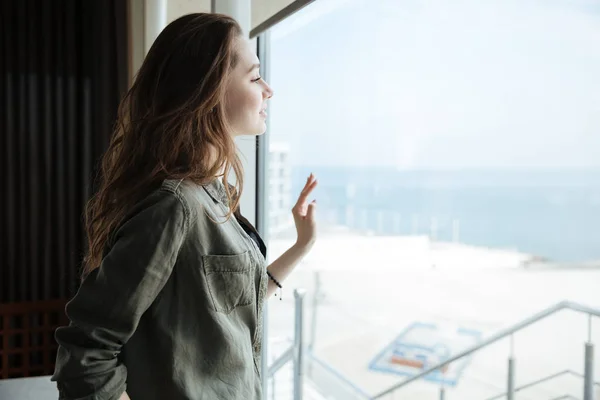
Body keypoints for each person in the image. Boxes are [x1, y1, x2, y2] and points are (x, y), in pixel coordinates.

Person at [51, 13, 317, 400]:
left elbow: (235, 305)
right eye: (255, 76)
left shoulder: (214, 195)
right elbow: (86, 354)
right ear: (209, 90)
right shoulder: (174, 208)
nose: (269, 90)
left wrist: (300, 246)